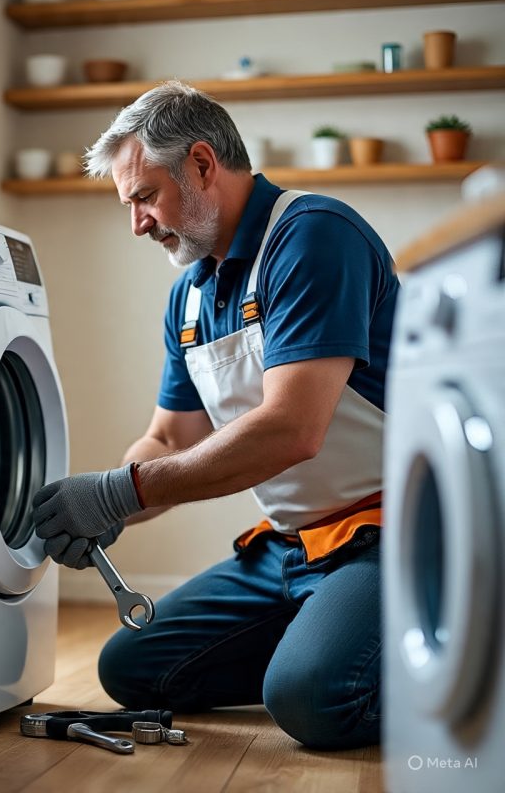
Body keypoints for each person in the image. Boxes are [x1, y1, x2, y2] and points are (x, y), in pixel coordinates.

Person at [31, 81, 399, 750]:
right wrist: (108, 507)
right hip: (290, 548)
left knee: (313, 702)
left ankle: (390, 657)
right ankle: (335, 646)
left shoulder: (312, 237)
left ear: (202, 164)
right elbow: (170, 437)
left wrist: (122, 493)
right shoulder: (191, 297)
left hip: (393, 537)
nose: (137, 222)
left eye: (144, 197)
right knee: (132, 667)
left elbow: (294, 428)